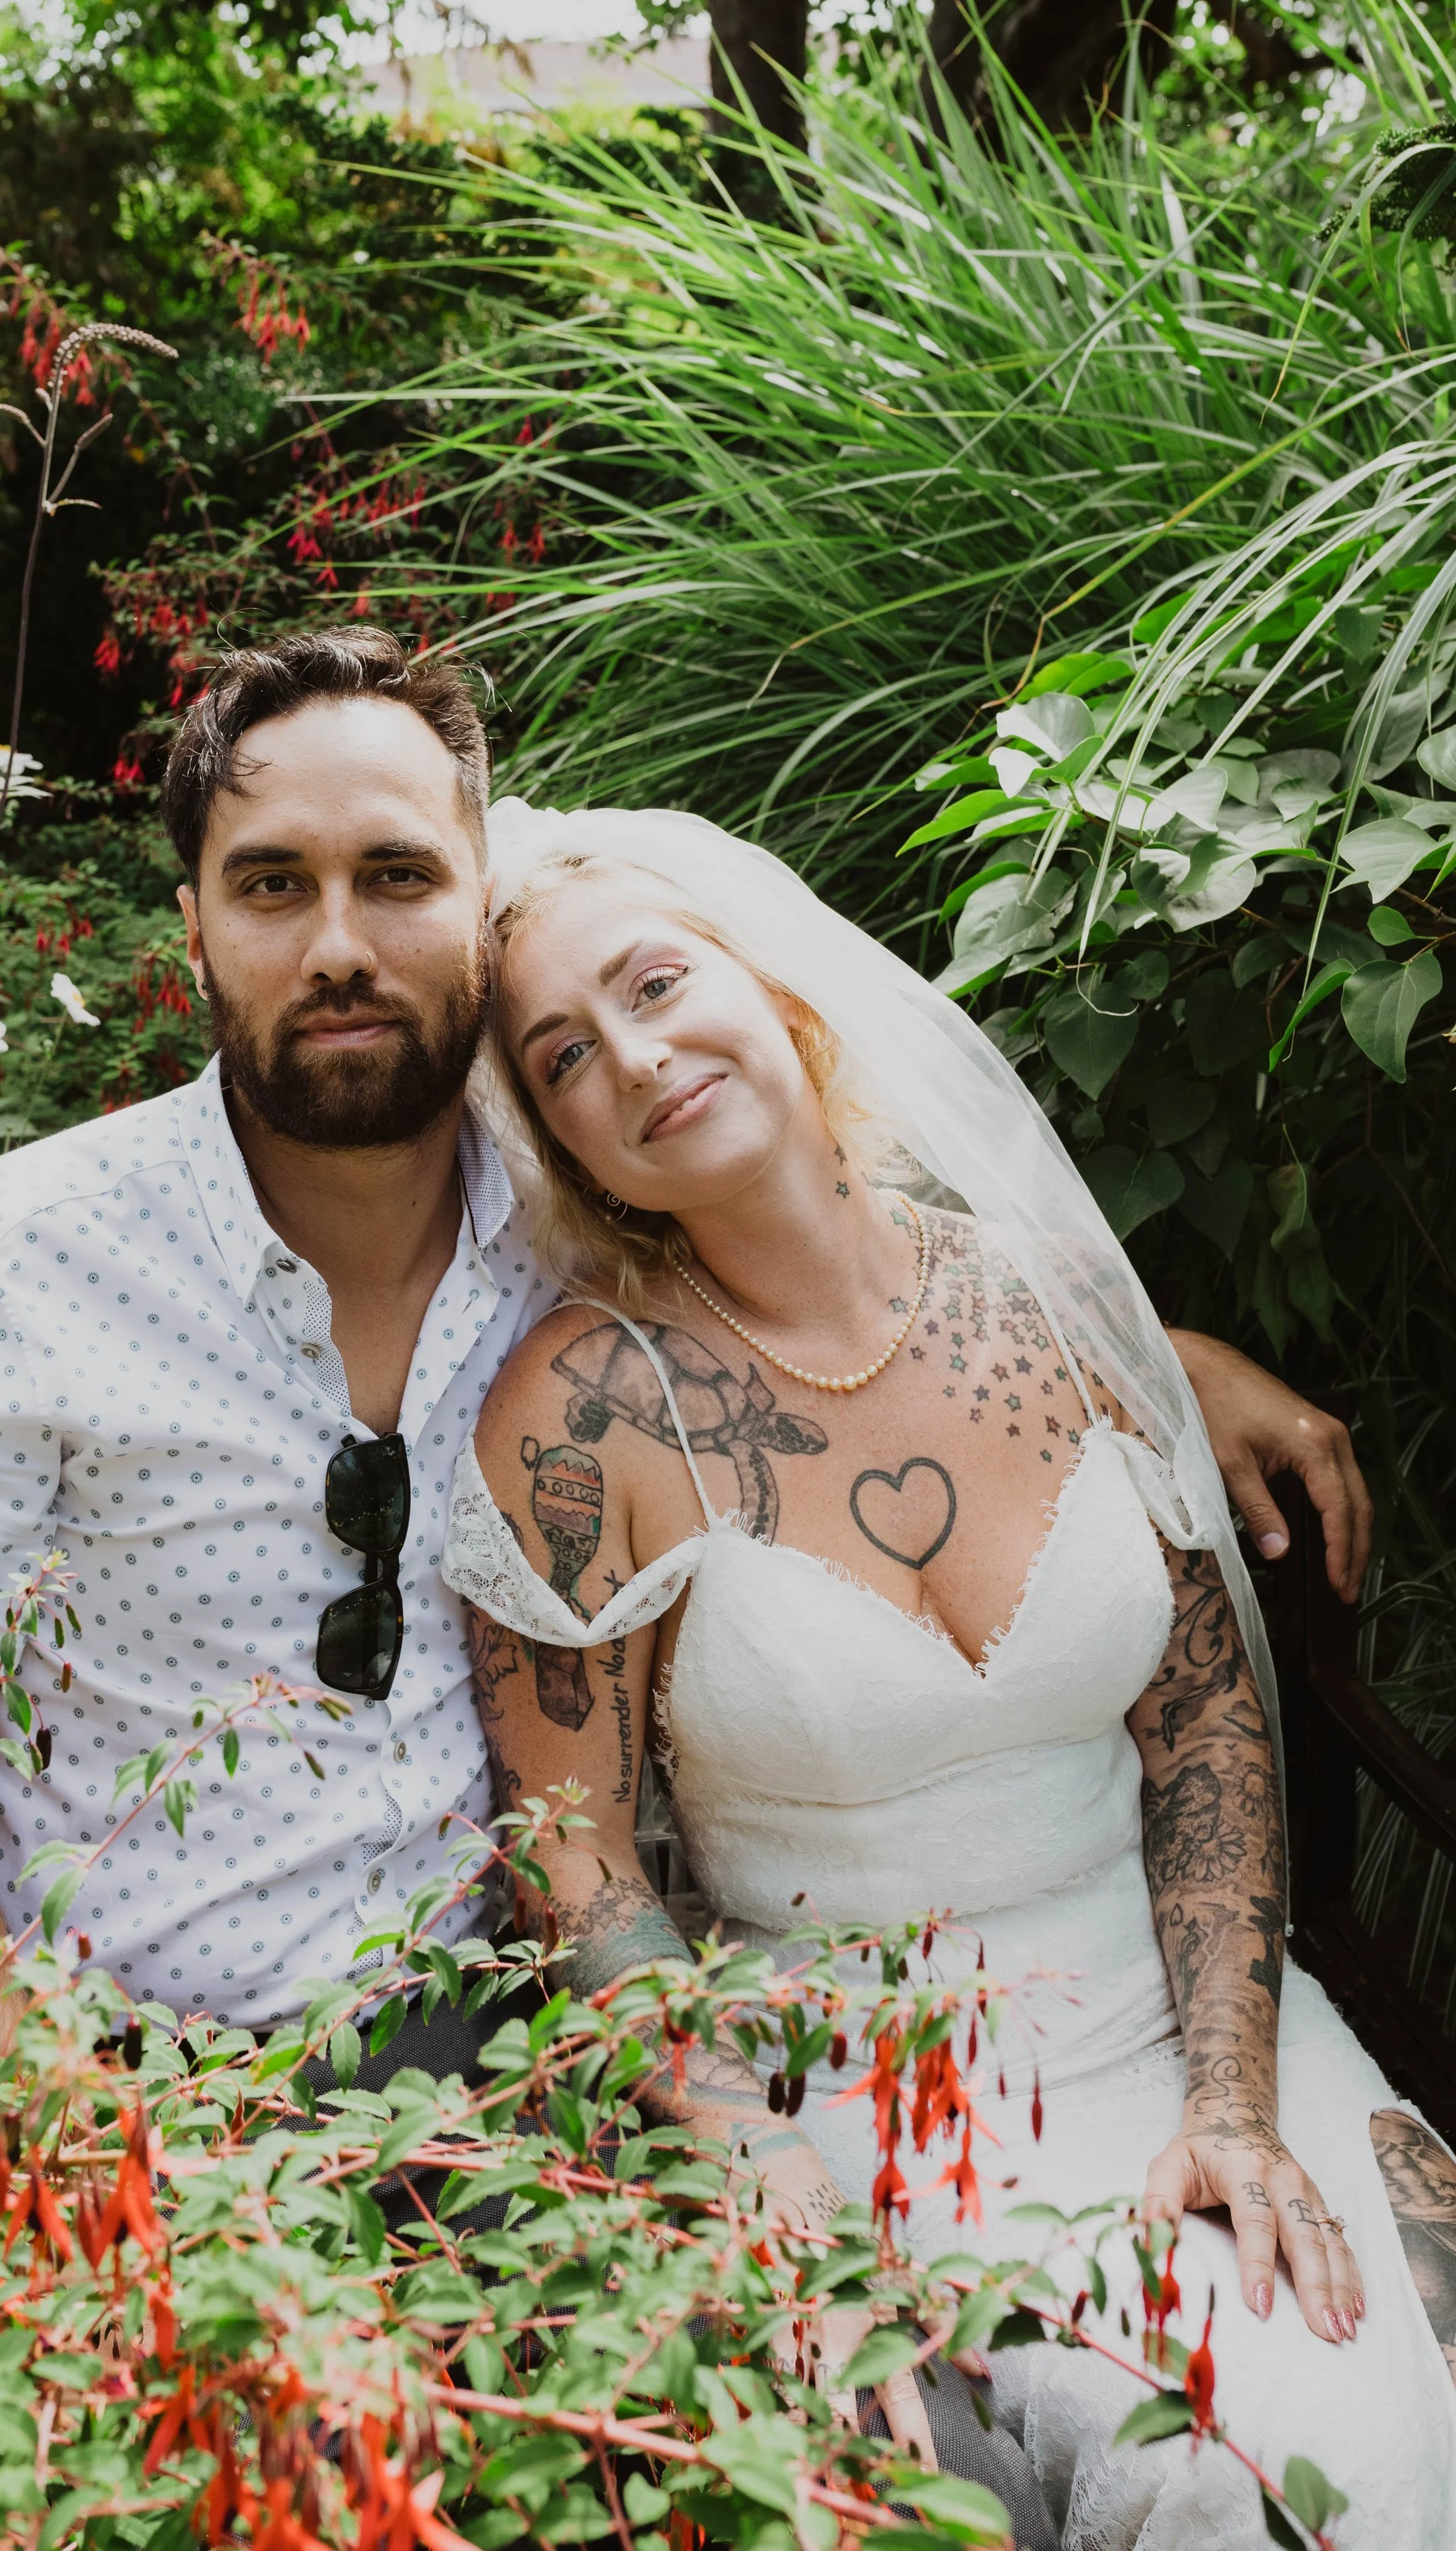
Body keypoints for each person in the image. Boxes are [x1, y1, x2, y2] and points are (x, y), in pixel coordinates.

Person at [0, 629, 1365, 2518]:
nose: (340, 942)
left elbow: (860, 1324)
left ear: (476, 899)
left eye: (396, 877)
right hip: (145, 2081)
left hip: (531, 2072)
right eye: (272, 886)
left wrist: (1165, 1369)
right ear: (192, 925)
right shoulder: (17, 1260)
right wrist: (99, 2145)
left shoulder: (588, 1210)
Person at [441, 795, 1456, 2549]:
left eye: (659, 981)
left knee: (1411, 2383)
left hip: (1197, 2018)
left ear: (783, 992)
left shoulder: (1063, 1309)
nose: (633, 1054)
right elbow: (570, 1848)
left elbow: (1203, 1719)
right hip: (864, 2090)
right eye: (562, 1054)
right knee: (1222, 2483)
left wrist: (1228, 2100)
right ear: (564, 1145)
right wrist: (743, 2157)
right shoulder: (585, 1411)